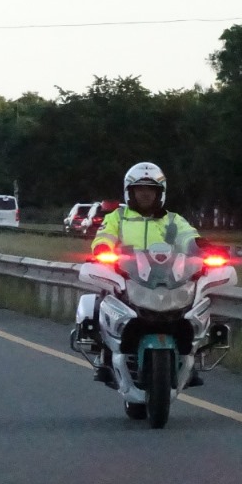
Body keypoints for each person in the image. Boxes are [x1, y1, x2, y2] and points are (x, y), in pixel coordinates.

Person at [80, 161, 213, 386]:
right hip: (126, 276)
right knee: (103, 304)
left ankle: (190, 362)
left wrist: (202, 245)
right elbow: (104, 236)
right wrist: (103, 249)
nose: (145, 194)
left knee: (189, 312)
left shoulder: (173, 220)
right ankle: (104, 359)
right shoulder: (118, 217)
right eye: (140, 189)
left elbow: (188, 236)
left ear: (159, 193)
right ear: (129, 191)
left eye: (150, 190)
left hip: (167, 278)